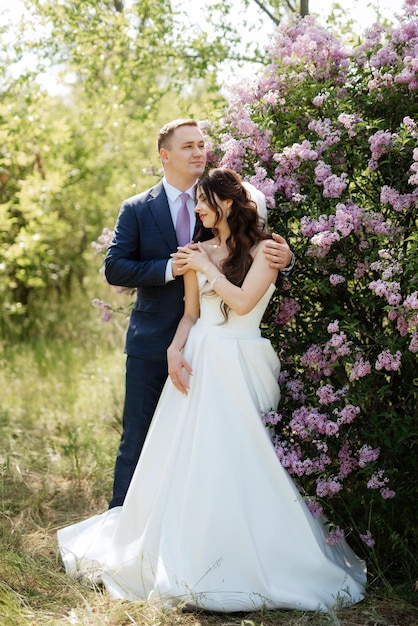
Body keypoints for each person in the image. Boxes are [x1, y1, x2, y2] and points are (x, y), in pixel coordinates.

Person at [57, 168, 366, 613]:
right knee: (189, 456)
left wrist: (205, 268)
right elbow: (190, 314)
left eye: (204, 200)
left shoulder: (267, 250)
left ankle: (257, 557)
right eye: (197, 200)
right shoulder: (195, 250)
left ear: (227, 203)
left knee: (242, 455)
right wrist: (174, 351)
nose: (197, 208)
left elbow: (242, 303)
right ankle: (183, 551)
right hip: (198, 360)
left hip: (241, 361)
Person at [104, 118, 295, 509]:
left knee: (208, 445)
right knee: (140, 437)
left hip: (223, 344)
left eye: (201, 144)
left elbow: (258, 249)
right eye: (188, 146)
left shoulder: (231, 196)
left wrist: (287, 259)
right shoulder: (138, 208)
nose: (198, 152)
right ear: (165, 155)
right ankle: (122, 519)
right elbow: (115, 268)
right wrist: (169, 268)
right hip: (156, 338)